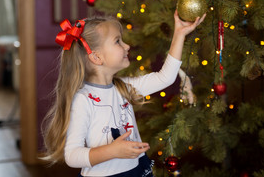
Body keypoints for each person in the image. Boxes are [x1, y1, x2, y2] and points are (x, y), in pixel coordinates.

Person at [42, 10, 205, 177]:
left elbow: (165, 78)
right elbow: (72, 156)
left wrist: (179, 33)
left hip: (138, 168)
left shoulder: (123, 87)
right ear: (96, 57)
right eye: (117, 41)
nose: (127, 46)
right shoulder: (83, 100)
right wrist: (112, 151)